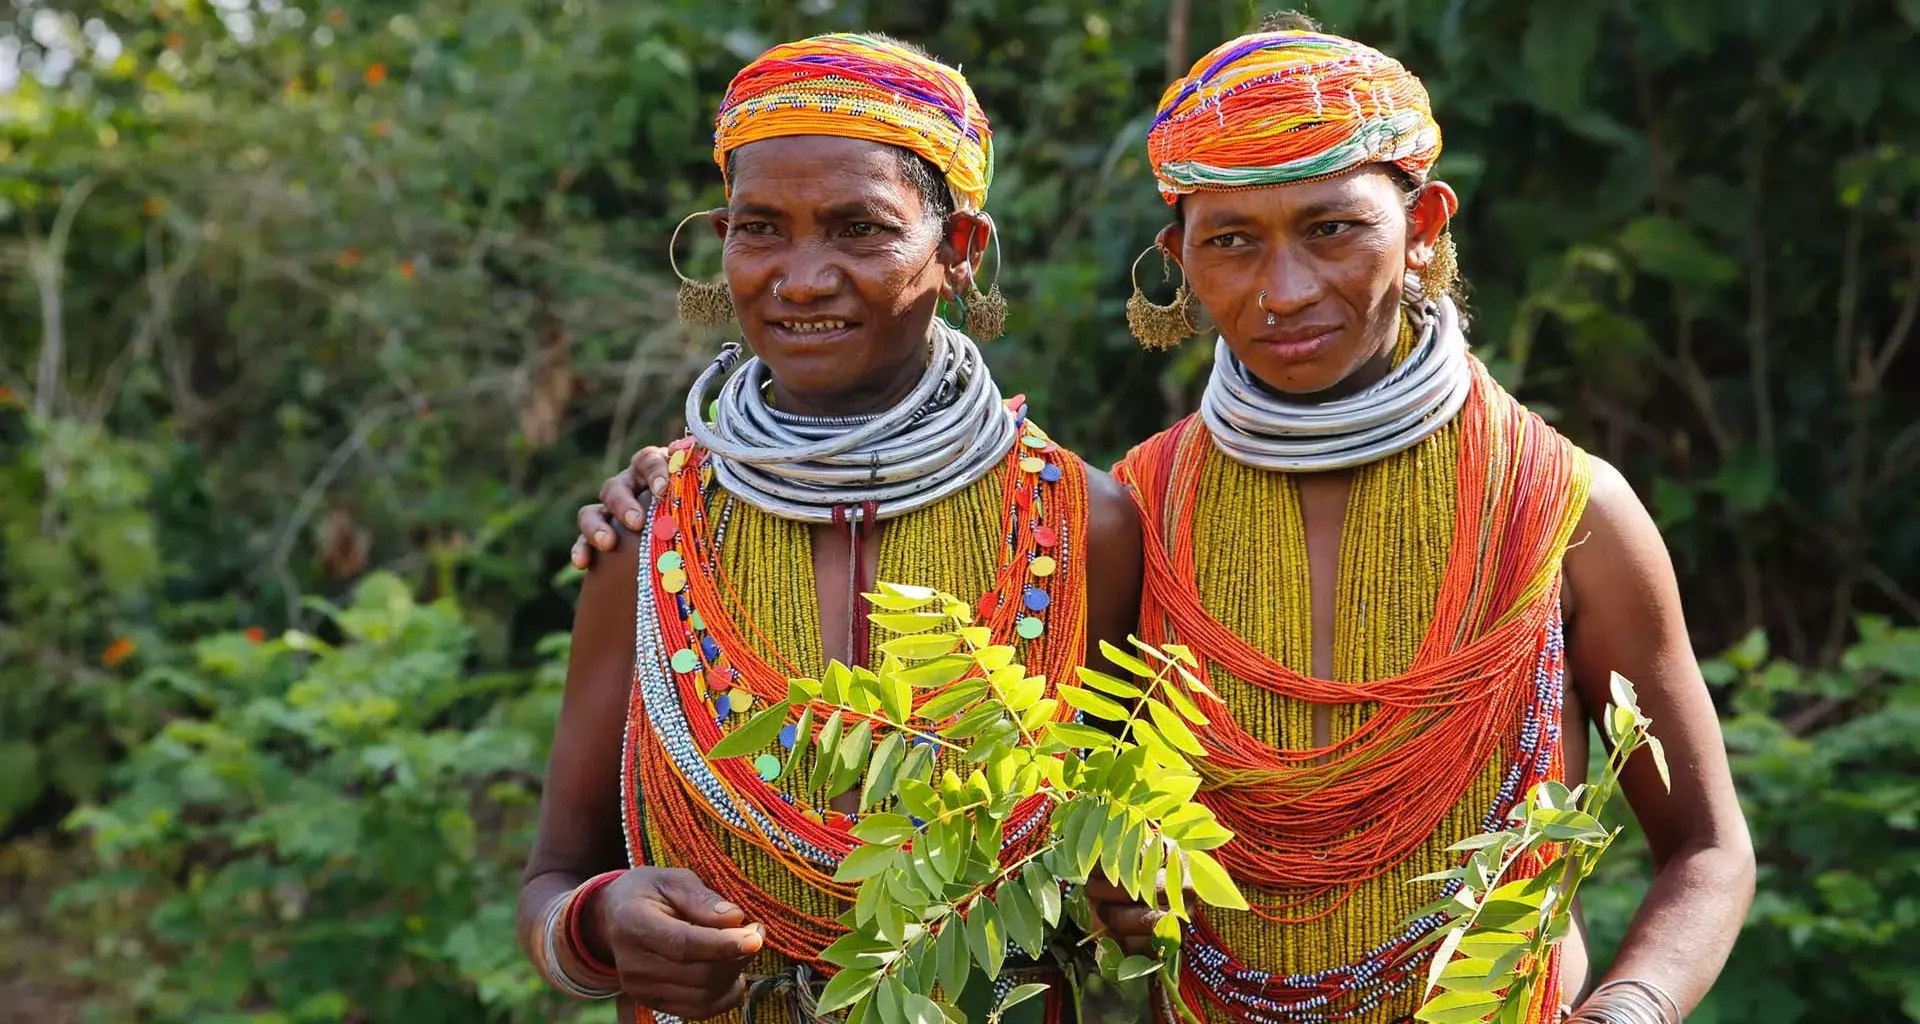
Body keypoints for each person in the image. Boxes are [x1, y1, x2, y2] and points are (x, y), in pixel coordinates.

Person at [577, 20, 1754, 1024]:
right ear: (1179, 260)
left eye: (1334, 227)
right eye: (1233, 240)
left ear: (1426, 223)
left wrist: (1629, 1010)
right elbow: (1078, 836)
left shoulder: (1564, 510)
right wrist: (1109, 893)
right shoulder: (1135, 512)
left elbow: (1706, 846)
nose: (1284, 290)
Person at [521, 32, 1141, 1024]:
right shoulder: (652, 533)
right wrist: (603, 922)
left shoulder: (1080, 528)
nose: (802, 278)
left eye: (859, 229)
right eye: (763, 229)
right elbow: (553, 874)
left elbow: (1129, 872)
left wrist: (1135, 897)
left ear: (960, 251)